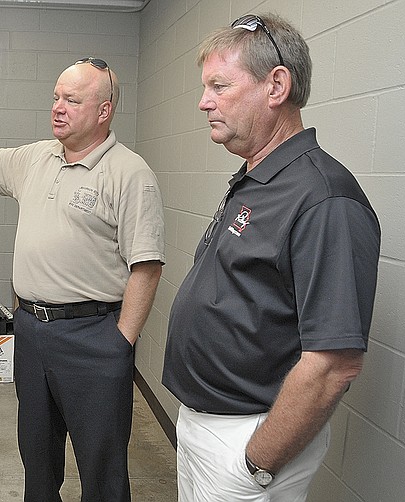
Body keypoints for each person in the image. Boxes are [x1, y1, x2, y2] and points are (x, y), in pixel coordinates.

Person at [162, 13, 381, 501]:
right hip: (205, 422)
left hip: (248, 438)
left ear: (276, 85)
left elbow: (334, 364)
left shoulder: (324, 198)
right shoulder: (258, 176)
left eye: (219, 86)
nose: (204, 102)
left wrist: (256, 463)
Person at [0, 59, 165, 501]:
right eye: (56, 96)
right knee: (36, 455)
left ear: (104, 110)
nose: (57, 107)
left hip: (94, 336)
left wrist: (120, 344)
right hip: (32, 332)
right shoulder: (38, 157)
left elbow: (146, 267)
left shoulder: (130, 174)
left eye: (71, 100)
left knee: (102, 465)